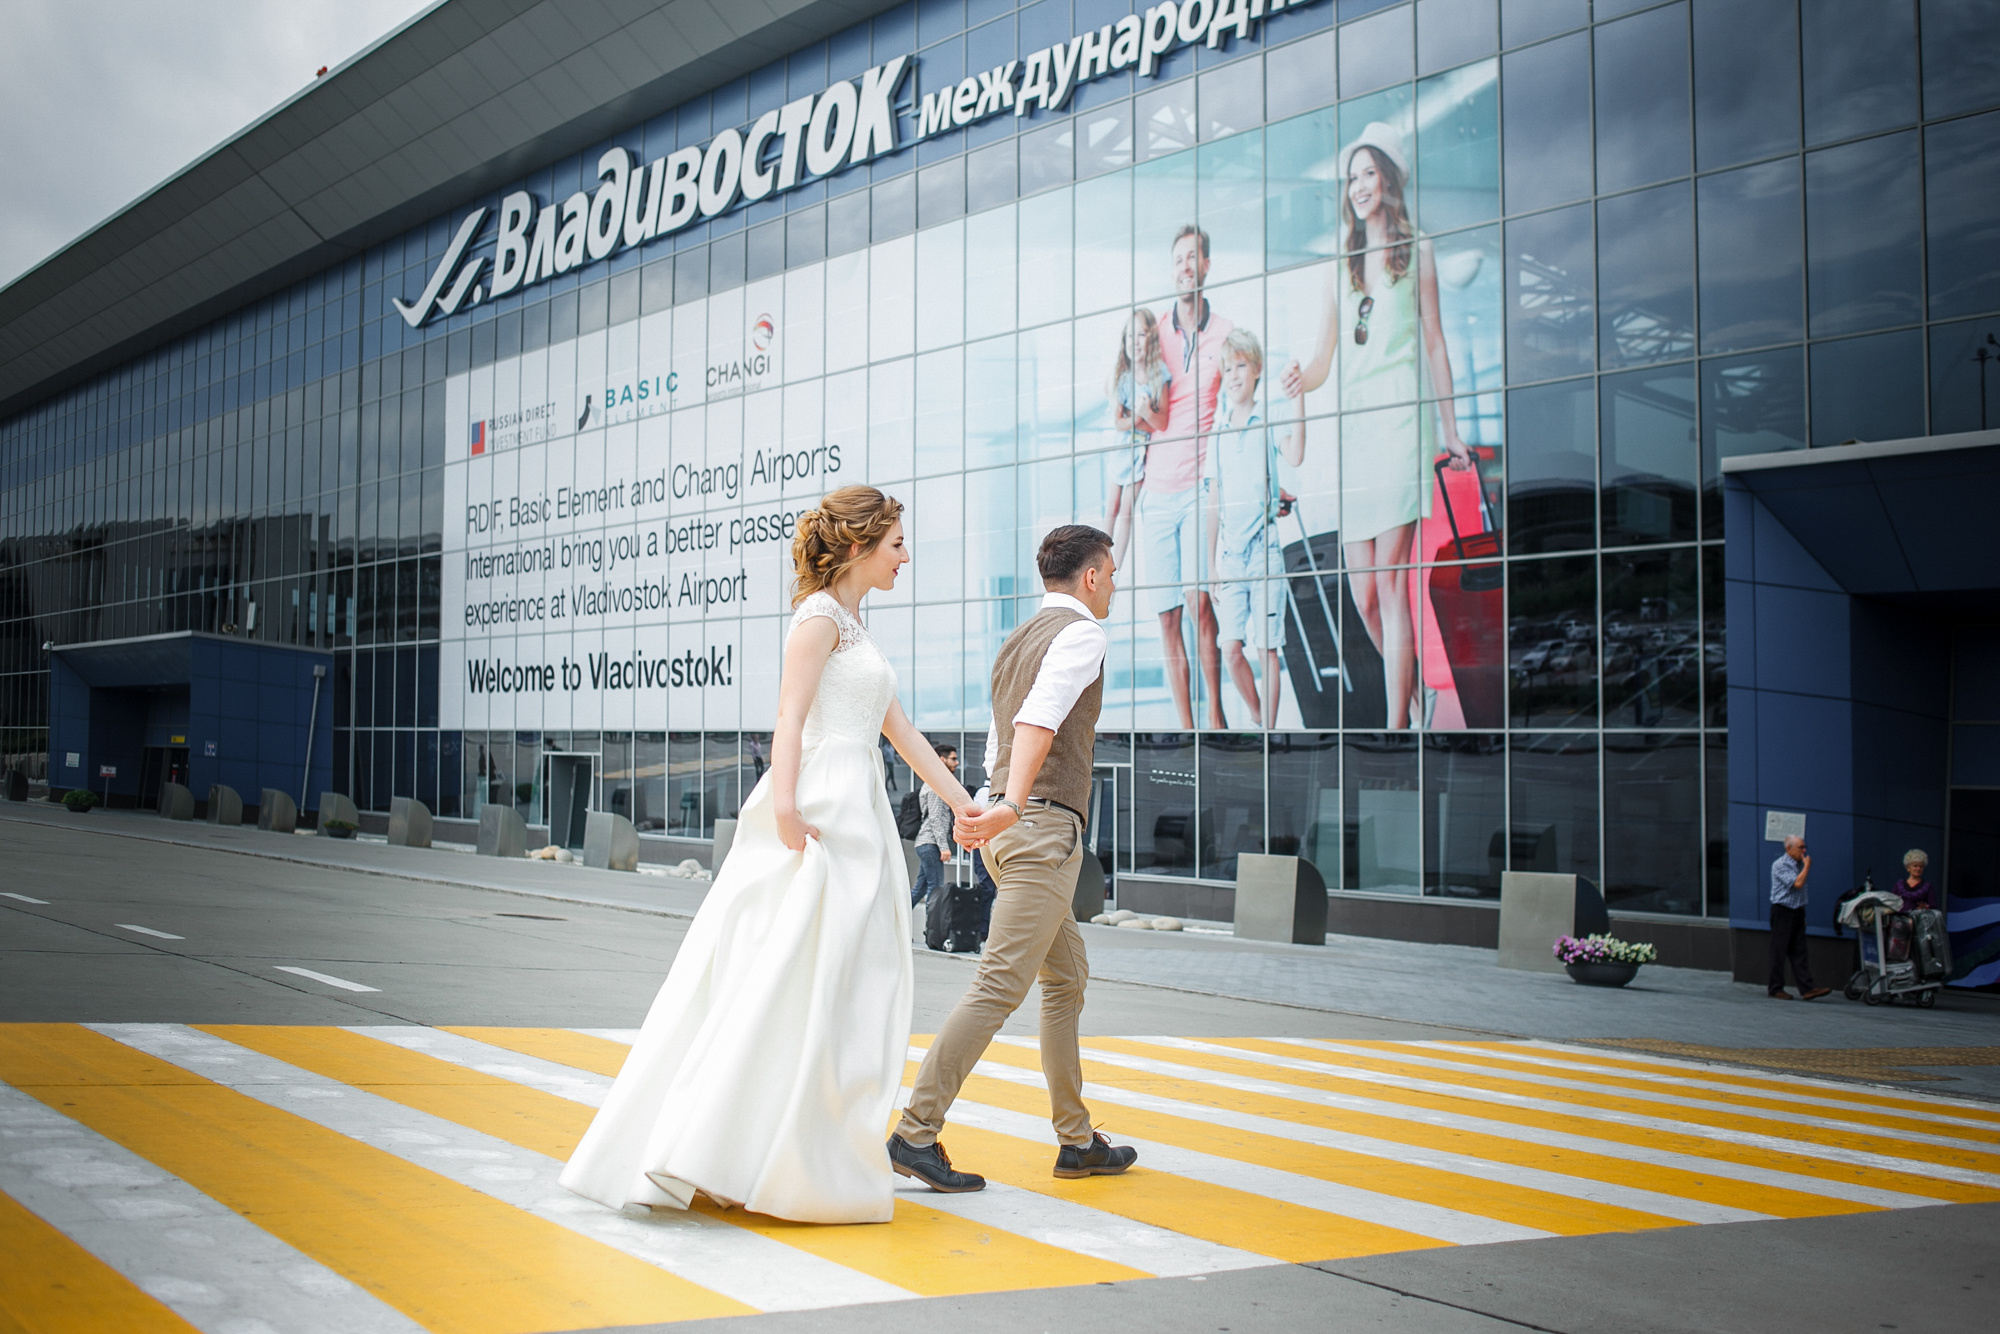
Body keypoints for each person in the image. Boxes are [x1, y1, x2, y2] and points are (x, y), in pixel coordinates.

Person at [561, 486, 977, 1224]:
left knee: (840, 984)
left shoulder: (854, 624)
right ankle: (729, 1151)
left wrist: (966, 801)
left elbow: (903, 733)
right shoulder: (817, 619)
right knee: (786, 978)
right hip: (817, 810)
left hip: (859, 811)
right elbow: (788, 717)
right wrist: (785, 808)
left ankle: (779, 1153)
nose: (905, 556)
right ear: (858, 547)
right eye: (896, 545)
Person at [890, 525, 1138, 1192]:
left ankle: (1077, 1139)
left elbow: (1001, 736)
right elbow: (1037, 721)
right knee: (1000, 984)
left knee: (1066, 977)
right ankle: (915, 1132)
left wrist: (990, 805)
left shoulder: (1017, 640)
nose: (1114, 583)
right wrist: (1011, 804)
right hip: (1039, 828)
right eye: (1110, 572)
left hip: (1011, 828)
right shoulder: (1081, 634)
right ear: (1089, 577)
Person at [1281, 122, 1472, 730]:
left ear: (1388, 180)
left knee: (1391, 584)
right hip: (1357, 435)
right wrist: (1296, 380)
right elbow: (1322, 360)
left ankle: (1397, 728)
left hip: (1400, 425)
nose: (1359, 185)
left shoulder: (1419, 252)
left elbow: (1436, 345)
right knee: (1363, 594)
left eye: (1369, 173)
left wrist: (1451, 429)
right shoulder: (1342, 265)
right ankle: (1413, 698)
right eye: (1352, 177)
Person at [1145, 224, 1231, 729]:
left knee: (1201, 607)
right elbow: (1128, 403)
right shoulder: (1153, 333)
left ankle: (1215, 719)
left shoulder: (1225, 332)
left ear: (1205, 265)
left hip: (1201, 488)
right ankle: (1187, 724)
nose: (1185, 265)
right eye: (1178, 257)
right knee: (1167, 617)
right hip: (1157, 492)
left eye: (1194, 256)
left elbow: (1242, 406)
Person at [1204, 328, 1304, 729]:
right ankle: (1260, 717)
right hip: (1229, 556)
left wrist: (1298, 401)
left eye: (1241, 366)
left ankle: (1268, 733)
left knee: (1268, 647)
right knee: (1230, 648)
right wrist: (1211, 563)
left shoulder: (1268, 420)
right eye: (1227, 368)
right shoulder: (1217, 431)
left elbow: (1295, 454)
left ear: (1257, 369)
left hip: (1264, 550)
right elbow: (1213, 500)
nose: (1233, 375)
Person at [1105, 308, 1171, 574]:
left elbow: (1161, 423)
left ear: (1150, 339)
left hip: (1140, 455)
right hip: (1121, 450)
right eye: (1131, 335)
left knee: (1127, 512)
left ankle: (1113, 569)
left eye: (1142, 334)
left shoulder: (1159, 375)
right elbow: (1119, 422)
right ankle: (1097, 559)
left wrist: (1143, 415)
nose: (1136, 341)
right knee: (1112, 507)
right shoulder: (1123, 378)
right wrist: (1140, 418)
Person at [1768, 834, 1831, 1000]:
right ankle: (1775, 988)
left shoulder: (1798, 864)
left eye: (1804, 847)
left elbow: (1800, 893)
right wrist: (1807, 867)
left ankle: (1807, 988)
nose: (1804, 851)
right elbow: (1797, 884)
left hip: (1797, 911)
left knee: (1799, 951)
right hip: (1782, 911)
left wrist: (1801, 914)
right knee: (1779, 951)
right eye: (1800, 847)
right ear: (1789, 848)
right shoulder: (1780, 865)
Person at [912, 742, 958, 910]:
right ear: (941, 759)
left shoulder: (936, 783)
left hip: (927, 843)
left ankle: (892, 923)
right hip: (930, 843)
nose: (957, 762)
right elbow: (936, 818)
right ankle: (932, 932)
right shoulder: (935, 785)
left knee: (920, 888)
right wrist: (944, 847)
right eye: (953, 759)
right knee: (936, 888)